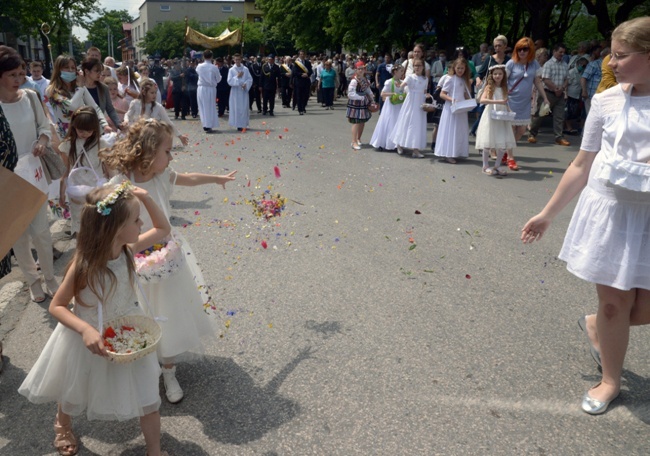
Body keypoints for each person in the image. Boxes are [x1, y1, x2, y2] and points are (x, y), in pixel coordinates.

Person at [521, 16, 650, 416]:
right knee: (616, 304)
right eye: (611, 53)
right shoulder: (607, 100)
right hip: (611, 213)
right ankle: (610, 379)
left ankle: (597, 325)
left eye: (621, 55)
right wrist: (547, 214)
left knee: (639, 309)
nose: (610, 62)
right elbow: (581, 164)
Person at [19, 181, 171, 456]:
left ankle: (155, 450)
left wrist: (146, 197)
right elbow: (58, 306)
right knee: (75, 386)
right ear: (114, 229)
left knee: (149, 394)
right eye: (136, 220)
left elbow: (163, 229)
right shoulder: (84, 265)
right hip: (87, 336)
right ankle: (62, 422)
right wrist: (85, 330)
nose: (141, 223)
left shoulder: (127, 248)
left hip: (128, 332)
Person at [102, 119, 236, 405]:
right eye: (168, 151)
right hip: (133, 258)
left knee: (170, 312)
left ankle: (169, 370)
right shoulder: (121, 183)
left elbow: (187, 178)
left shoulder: (162, 176)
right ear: (149, 151)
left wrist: (216, 179)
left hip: (167, 255)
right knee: (140, 314)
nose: (172, 156)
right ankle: (144, 367)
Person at [0, 46, 59, 303]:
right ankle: (32, 280)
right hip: (7, 179)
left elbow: (44, 126)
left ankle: (50, 277)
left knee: (42, 232)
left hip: (33, 173)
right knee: (18, 236)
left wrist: (43, 140)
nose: (19, 78)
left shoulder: (31, 97)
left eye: (21, 72)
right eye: (12, 74)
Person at [59, 107, 110, 235]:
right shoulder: (68, 144)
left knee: (98, 225)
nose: (85, 134)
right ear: (74, 126)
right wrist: (61, 193)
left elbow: (108, 168)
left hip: (97, 190)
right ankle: (83, 252)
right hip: (76, 191)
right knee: (81, 227)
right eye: (81, 130)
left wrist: (112, 187)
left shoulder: (101, 143)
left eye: (89, 130)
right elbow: (66, 170)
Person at [504, 37, 549, 170]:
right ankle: (510, 157)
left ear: (530, 51)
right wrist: (503, 97)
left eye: (525, 49)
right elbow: (503, 82)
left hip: (525, 102)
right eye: (519, 49)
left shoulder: (534, 64)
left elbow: (538, 82)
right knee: (511, 130)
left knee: (522, 130)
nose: (522, 52)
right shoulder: (511, 63)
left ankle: (506, 151)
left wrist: (545, 97)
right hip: (511, 101)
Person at [46, 55, 109, 139]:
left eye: (73, 68)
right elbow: (71, 106)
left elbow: (94, 107)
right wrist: (80, 87)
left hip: (85, 132)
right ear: (58, 69)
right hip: (67, 135)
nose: (70, 70)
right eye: (66, 67)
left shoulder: (78, 87)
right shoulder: (52, 91)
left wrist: (104, 125)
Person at [475, 65, 515, 175]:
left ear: (504, 75)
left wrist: (509, 110)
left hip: (501, 115)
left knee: (502, 143)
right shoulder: (489, 87)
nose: (497, 76)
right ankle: (485, 166)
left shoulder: (504, 87)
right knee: (488, 140)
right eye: (495, 74)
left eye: (500, 74)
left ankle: (497, 166)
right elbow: (482, 100)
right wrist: (498, 102)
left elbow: (505, 101)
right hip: (490, 114)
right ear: (492, 75)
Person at [528, 43, 570, 147]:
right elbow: (546, 79)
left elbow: (567, 79)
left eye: (563, 52)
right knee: (540, 114)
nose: (562, 54)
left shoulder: (565, 64)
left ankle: (559, 137)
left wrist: (562, 88)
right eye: (560, 52)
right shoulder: (548, 64)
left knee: (559, 116)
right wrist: (555, 89)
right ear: (554, 52)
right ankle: (532, 134)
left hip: (560, 94)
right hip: (548, 93)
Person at [125, 79, 189, 146]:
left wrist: (180, 136)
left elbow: (168, 122)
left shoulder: (158, 107)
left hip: (152, 139)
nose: (154, 95)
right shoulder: (135, 103)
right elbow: (128, 114)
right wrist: (126, 121)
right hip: (137, 137)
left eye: (155, 92)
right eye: (152, 93)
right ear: (144, 92)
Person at [389, 59, 431, 158]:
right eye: (415, 66)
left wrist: (427, 95)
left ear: (423, 67)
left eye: (419, 66)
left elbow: (424, 91)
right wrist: (398, 85)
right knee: (406, 122)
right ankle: (399, 144)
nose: (417, 67)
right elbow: (402, 86)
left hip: (420, 103)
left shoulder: (425, 79)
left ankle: (415, 149)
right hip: (411, 102)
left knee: (418, 125)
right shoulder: (410, 77)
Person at [434, 57, 472, 164]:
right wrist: (452, 100)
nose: (460, 70)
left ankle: (456, 151)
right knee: (450, 129)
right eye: (458, 68)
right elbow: (442, 94)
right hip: (451, 108)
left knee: (459, 130)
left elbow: (464, 93)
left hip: (461, 108)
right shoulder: (450, 79)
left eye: (462, 68)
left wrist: (470, 100)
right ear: (454, 68)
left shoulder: (464, 80)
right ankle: (448, 153)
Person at [81, 58, 122, 132]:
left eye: (100, 71)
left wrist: (119, 124)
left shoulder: (103, 88)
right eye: (96, 71)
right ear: (86, 71)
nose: (99, 73)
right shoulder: (79, 89)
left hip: (99, 128)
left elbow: (110, 109)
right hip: (82, 129)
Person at [370, 64, 405, 151]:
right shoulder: (389, 82)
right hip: (391, 105)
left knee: (397, 123)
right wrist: (393, 94)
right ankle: (384, 142)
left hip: (399, 105)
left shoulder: (402, 82)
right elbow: (383, 93)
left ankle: (395, 144)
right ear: (395, 72)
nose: (402, 73)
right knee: (389, 122)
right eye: (401, 71)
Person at [346, 61, 375, 150]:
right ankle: (353, 141)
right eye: (359, 69)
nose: (361, 70)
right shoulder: (354, 81)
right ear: (356, 70)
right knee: (356, 122)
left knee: (362, 122)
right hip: (356, 103)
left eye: (362, 69)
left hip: (363, 103)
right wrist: (361, 98)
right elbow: (350, 94)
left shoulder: (365, 80)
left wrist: (372, 99)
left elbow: (368, 90)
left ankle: (358, 139)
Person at [195, 50, 221, 133]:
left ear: (203, 56)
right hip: (210, 88)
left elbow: (198, 72)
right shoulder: (214, 67)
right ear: (211, 57)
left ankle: (205, 124)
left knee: (202, 106)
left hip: (201, 88)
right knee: (210, 106)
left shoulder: (199, 66)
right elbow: (218, 79)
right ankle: (208, 124)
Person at [227, 54, 253, 131]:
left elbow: (250, 79)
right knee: (236, 108)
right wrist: (237, 77)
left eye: (239, 59)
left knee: (244, 108)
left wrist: (246, 84)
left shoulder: (245, 69)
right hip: (235, 92)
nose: (237, 61)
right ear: (234, 60)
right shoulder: (231, 70)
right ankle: (238, 124)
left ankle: (243, 123)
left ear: (241, 60)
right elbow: (229, 81)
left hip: (243, 91)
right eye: (236, 59)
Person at [581, 48, 605, 115]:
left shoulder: (610, 66)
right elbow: (583, 78)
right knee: (591, 117)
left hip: (603, 97)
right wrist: (584, 91)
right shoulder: (594, 64)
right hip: (591, 96)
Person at [292, 50, 313, 115]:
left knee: (306, 96)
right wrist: (302, 74)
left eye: (303, 54)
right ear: (299, 55)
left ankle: (303, 107)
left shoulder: (308, 63)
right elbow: (295, 72)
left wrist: (307, 74)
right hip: (299, 81)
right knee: (299, 96)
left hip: (306, 81)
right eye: (301, 54)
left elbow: (310, 71)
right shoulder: (296, 63)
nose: (302, 55)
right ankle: (300, 109)